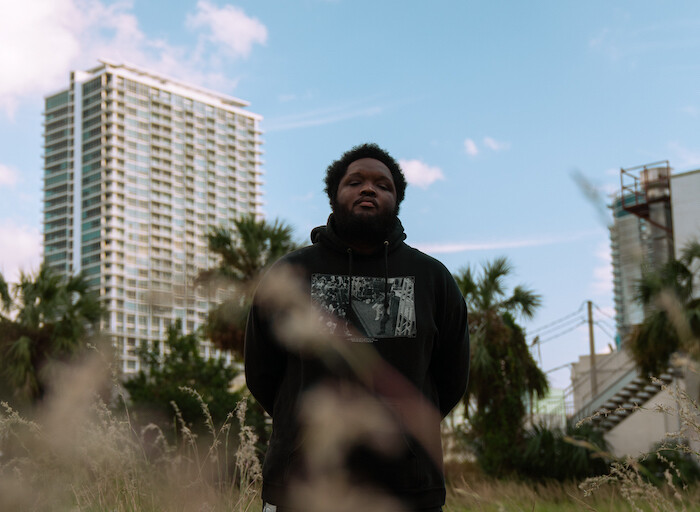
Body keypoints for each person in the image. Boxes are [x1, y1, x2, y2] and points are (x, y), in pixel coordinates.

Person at [245, 143, 470, 512]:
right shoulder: (290, 274)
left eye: (383, 185)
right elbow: (262, 373)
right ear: (334, 195)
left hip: (407, 491)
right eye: (355, 181)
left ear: (396, 201)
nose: (369, 189)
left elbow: (451, 378)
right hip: (303, 488)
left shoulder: (433, 278)